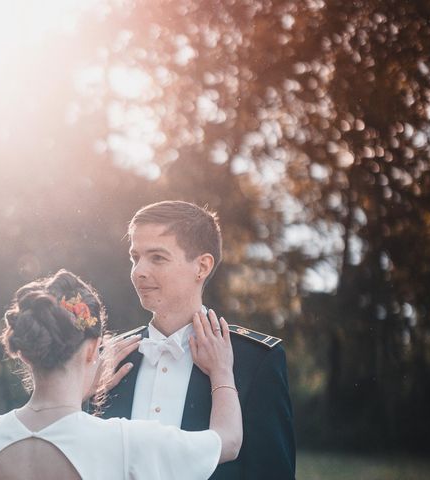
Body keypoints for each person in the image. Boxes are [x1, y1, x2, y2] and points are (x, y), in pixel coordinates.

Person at [0, 269, 242, 480]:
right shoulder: (123, 441)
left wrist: (80, 390)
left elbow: (52, 431)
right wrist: (222, 371)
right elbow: (227, 442)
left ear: (25, 352)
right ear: (94, 349)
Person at [103, 200, 296, 480]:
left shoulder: (254, 359)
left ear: (202, 267)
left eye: (157, 257)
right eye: (135, 257)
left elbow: (272, 473)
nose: (138, 271)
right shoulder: (111, 358)